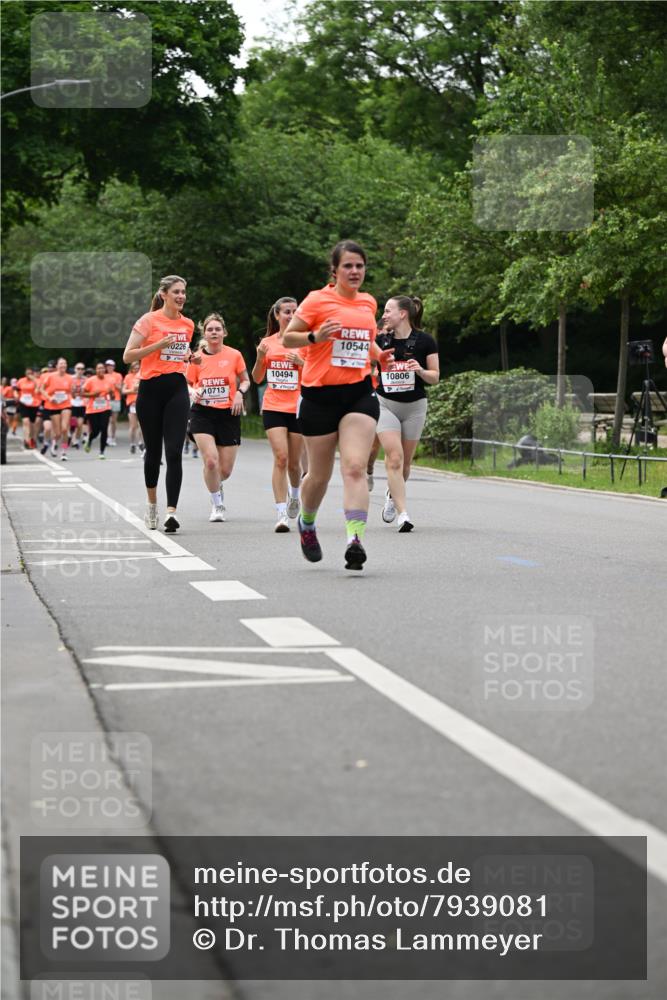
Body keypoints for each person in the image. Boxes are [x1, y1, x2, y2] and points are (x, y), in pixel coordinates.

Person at [283, 240, 394, 570]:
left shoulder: (368, 303)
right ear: (335, 271)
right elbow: (289, 337)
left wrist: (379, 356)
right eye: (348, 266)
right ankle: (307, 521)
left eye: (360, 265)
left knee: (355, 467)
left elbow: (365, 340)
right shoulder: (318, 300)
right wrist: (315, 338)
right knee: (319, 474)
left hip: (358, 393)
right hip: (319, 396)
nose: (355, 271)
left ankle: (354, 540)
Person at [123, 274, 195, 532]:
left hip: (177, 388)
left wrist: (190, 357)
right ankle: (152, 505)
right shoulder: (148, 320)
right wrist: (156, 346)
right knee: (154, 454)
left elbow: (180, 354)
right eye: (176, 292)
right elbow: (127, 355)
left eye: (184, 292)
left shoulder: (188, 324)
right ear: (163, 294)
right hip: (150, 391)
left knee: (174, 451)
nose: (181, 296)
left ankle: (171, 512)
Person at [376, 295, 439, 531]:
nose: (384, 315)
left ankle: (392, 496)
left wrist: (420, 370)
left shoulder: (425, 341)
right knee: (394, 458)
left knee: (405, 464)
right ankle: (403, 514)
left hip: (414, 407)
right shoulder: (380, 340)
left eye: (387, 310)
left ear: (402, 314)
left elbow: (435, 377)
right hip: (385, 404)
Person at [186, 313, 249, 522]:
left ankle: (216, 484)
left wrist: (240, 393)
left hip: (228, 414)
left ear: (224, 333)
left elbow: (245, 380)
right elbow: (186, 382)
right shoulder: (196, 357)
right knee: (211, 462)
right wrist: (192, 392)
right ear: (205, 333)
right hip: (202, 413)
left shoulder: (234, 355)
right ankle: (217, 504)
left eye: (217, 329)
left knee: (225, 470)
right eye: (210, 329)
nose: (214, 332)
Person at [252, 296, 305, 532]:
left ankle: (295, 495)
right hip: (273, 405)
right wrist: (260, 358)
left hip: (298, 407)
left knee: (295, 465)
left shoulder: (304, 342)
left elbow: (317, 374)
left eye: (295, 311)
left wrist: (301, 362)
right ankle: (281, 513)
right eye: (287, 311)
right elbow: (257, 378)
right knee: (281, 458)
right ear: (277, 315)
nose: (291, 315)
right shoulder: (267, 342)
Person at [41, 357, 74, 460]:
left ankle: (64, 451)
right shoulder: (50, 376)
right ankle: (54, 443)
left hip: (66, 405)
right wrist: (50, 398)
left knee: (65, 429)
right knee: (58, 432)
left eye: (64, 363)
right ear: (57, 366)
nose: (63, 365)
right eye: (61, 364)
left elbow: (71, 392)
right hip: (54, 405)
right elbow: (42, 389)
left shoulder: (70, 377)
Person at [83, 362, 113, 458]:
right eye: (98, 368)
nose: (100, 370)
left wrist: (111, 393)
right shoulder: (90, 380)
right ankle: (90, 440)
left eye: (102, 368)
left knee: (104, 428)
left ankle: (102, 452)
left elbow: (112, 395)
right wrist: (93, 395)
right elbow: (82, 393)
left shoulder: (108, 380)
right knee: (96, 431)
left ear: (104, 369)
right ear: (96, 370)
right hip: (93, 409)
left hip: (105, 408)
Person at [122, 361, 143, 454]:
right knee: (133, 426)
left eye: (138, 367)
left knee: (142, 425)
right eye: (135, 367)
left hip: (142, 402)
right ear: (131, 368)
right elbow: (123, 391)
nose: (137, 368)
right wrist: (133, 390)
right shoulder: (128, 377)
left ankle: (141, 443)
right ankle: (132, 444)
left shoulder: (143, 375)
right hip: (132, 403)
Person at [16, 367, 39, 449]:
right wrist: (16, 396)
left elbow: (38, 389)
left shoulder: (36, 380)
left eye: (30, 373)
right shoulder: (21, 381)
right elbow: (16, 390)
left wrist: (34, 380)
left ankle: (32, 439)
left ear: (33, 373)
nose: (28, 375)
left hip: (33, 404)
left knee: (32, 424)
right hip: (23, 403)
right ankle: (26, 440)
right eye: (27, 373)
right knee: (26, 421)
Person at [105, 359, 123, 446]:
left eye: (111, 366)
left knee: (114, 421)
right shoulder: (104, 376)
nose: (109, 367)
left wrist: (115, 385)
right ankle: (108, 437)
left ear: (114, 367)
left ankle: (113, 437)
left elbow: (121, 389)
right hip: (106, 400)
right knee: (108, 420)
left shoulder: (118, 375)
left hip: (116, 399)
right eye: (108, 366)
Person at [69, 362, 88, 448]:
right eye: (78, 369)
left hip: (82, 403)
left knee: (80, 424)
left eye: (82, 369)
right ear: (75, 369)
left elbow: (89, 391)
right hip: (72, 403)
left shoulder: (86, 379)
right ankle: (73, 439)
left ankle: (76, 439)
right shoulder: (70, 378)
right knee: (73, 423)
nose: (80, 371)